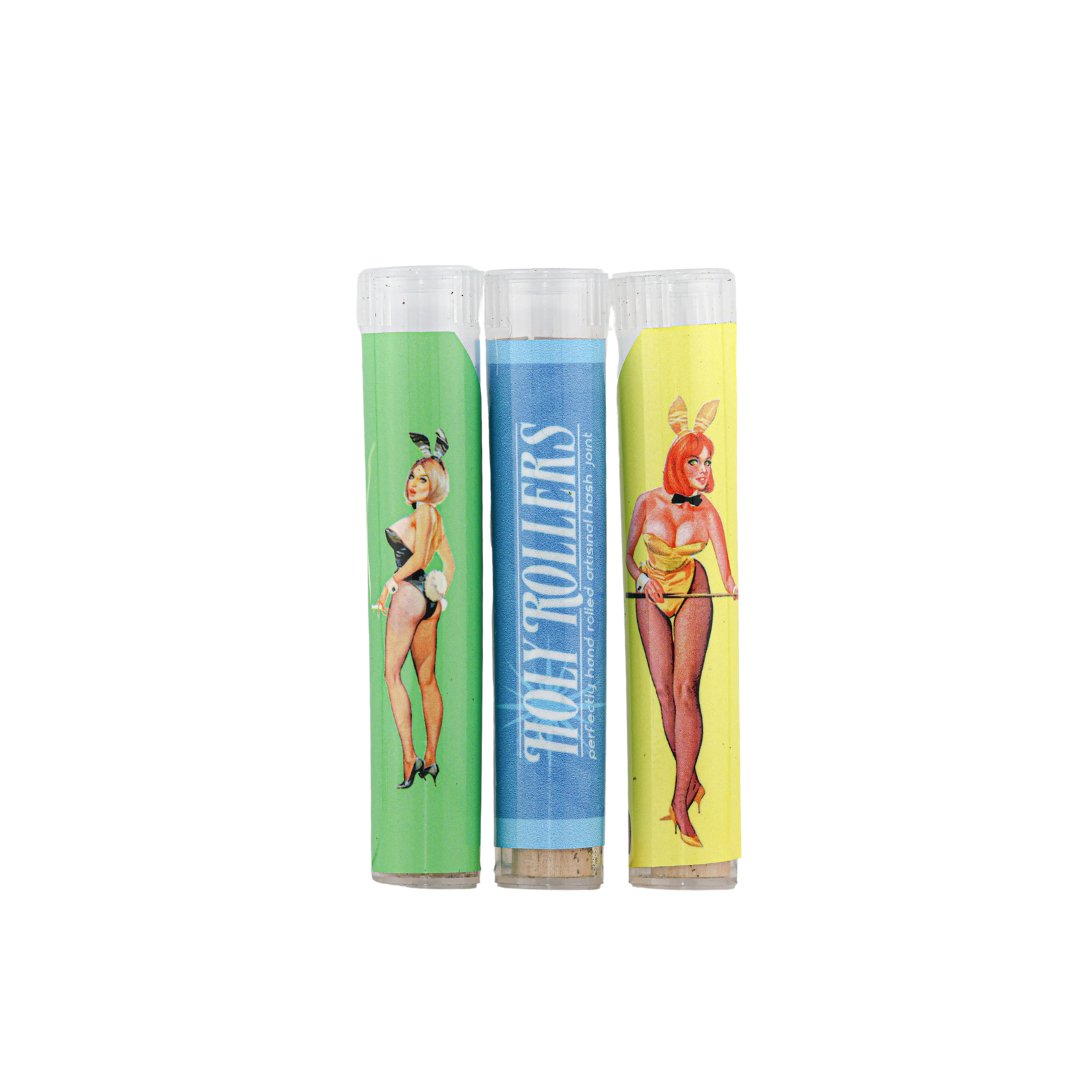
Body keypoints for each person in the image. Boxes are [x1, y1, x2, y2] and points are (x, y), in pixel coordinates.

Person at [624, 397, 737, 847]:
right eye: (695, 461)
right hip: (651, 590)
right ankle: (692, 782)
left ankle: (679, 801)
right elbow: (629, 556)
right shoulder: (647, 502)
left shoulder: (707, 512)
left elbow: (727, 573)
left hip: (693, 588)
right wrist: (642, 579)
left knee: (685, 688)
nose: (703, 471)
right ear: (677, 461)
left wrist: (734, 586)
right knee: (663, 693)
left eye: (708, 462)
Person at [374, 429, 454, 789]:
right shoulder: (436, 517)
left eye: (423, 479)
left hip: (408, 594)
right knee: (427, 679)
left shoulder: (423, 512)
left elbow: (420, 558)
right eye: (412, 476)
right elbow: (448, 563)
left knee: (392, 676)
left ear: (434, 485)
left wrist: (391, 583)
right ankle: (431, 757)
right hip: (429, 600)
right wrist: (439, 591)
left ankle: (410, 757)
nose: (413, 484)